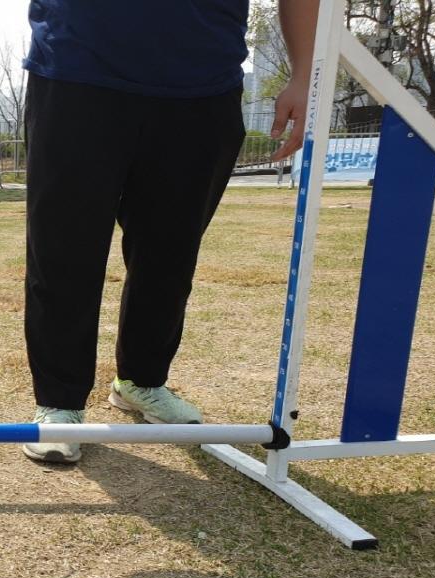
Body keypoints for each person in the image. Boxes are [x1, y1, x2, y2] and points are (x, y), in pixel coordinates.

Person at [19, 0, 315, 464]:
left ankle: (141, 381)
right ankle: (59, 402)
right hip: (76, 70)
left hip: (203, 83)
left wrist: (303, 74)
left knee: (169, 255)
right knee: (64, 251)